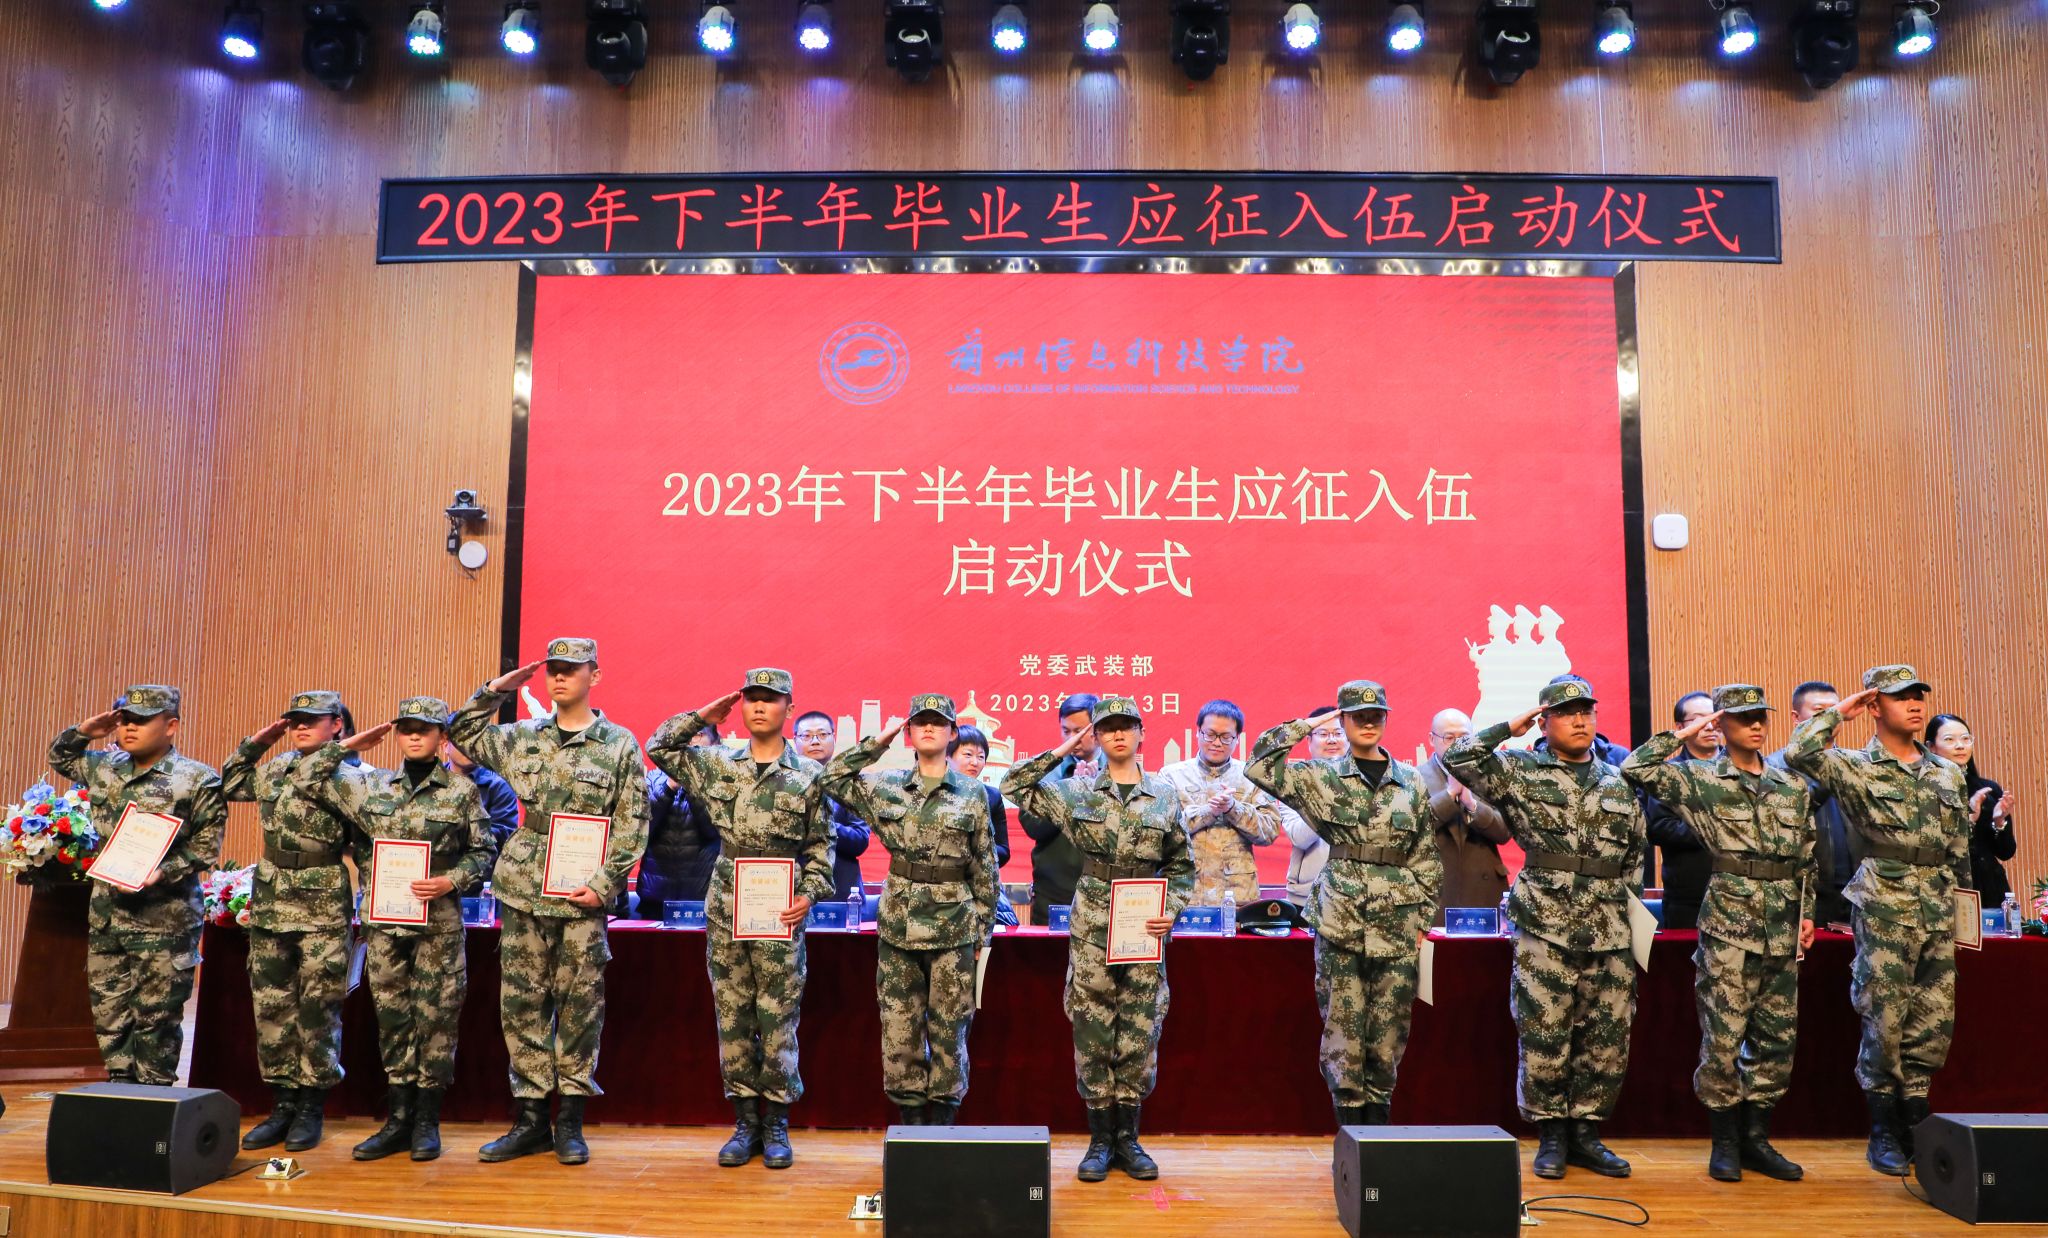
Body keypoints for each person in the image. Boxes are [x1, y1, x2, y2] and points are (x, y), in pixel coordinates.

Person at [449, 639, 651, 1166]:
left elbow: (633, 822)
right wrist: (498, 690)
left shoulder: (618, 744)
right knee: (522, 1005)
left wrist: (605, 882)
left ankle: (571, 1122)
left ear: (594, 676)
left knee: (580, 1008)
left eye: (570, 670)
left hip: (582, 893)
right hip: (524, 888)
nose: (559, 678)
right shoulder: (523, 737)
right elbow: (461, 732)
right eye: (552, 670)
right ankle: (531, 1120)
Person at [1444, 675, 1644, 1182]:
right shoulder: (1520, 770)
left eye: (1586, 711)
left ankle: (1586, 1134)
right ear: (1544, 720)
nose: (1580, 720)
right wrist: (1508, 727)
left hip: (1610, 927)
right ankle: (1551, 1133)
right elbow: (1459, 759)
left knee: (1606, 1034)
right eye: (1567, 712)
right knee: (1545, 1030)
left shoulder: (1617, 779)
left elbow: (1635, 855)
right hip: (1545, 924)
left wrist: (1630, 917)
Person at [1620, 685, 1814, 1183]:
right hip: (1729, 925)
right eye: (1743, 718)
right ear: (1721, 724)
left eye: (1760, 717)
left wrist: (1807, 912)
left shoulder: (1790, 785)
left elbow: (1806, 854)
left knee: (1776, 1040)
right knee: (1723, 1038)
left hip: (1782, 926)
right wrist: (1689, 729)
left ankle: (1756, 1139)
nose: (1756, 725)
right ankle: (1724, 1140)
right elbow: (1636, 767)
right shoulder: (1701, 778)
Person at [1786, 666, 1973, 1176]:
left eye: (1918, 696)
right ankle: (1883, 1127)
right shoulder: (1854, 766)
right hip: (1885, 902)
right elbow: (1799, 753)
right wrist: (1837, 713)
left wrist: (1966, 913)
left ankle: (1916, 1116)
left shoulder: (1946, 772)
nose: (1914, 705)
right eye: (1899, 697)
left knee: (1933, 1018)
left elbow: (1959, 849)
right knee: (1884, 1014)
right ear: (1874, 706)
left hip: (1938, 904)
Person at [296, 697, 497, 1162]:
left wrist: (452, 880)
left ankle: (427, 1121)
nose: (414, 736)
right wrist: (349, 745)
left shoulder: (461, 791)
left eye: (424, 729)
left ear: (442, 738)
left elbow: (484, 851)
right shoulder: (371, 786)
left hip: (438, 922)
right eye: (406, 728)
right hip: (386, 922)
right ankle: (398, 1119)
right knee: (393, 1017)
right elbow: (307, 777)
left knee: (437, 1018)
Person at [1003, 696, 1194, 1183]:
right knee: (1092, 1029)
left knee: (1140, 1029)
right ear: (1097, 736)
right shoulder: (1077, 792)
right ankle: (1099, 1140)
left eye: (1126, 726)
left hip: (1144, 923)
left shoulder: (1164, 794)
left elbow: (1182, 865)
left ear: (1142, 733)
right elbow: (1014, 783)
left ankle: (1128, 1139)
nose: (1118, 735)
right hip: (1093, 924)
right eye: (1107, 728)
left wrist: (1170, 909)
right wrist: (1066, 747)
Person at [648, 669, 831, 1171]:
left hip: (781, 904)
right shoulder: (717, 764)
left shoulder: (809, 774)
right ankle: (745, 1121)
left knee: (778, 1018)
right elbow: (659, 748)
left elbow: (822, 847)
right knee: (732, 1016)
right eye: (752, 699)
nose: (759, 707)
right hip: (729, 900)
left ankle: (776, 1123)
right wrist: (701, 717)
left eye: (770, 699)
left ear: (789, 707)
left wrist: (810, 893)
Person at [1247, 682, 1442, 1128]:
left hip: (1398, 921)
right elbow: (1259, 765)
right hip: (1341, 918)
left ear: (1386, 719)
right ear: (1343, 720)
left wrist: (1422, 919)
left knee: (1390, 1029)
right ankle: (1351, 1131)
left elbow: (1425, 855)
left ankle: (1379, 1130)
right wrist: (1307, 724)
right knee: (1343, 1027)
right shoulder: (1320, 776)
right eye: (1357, 715)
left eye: (1376, 715)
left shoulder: (1410, 780)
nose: (1368, 723)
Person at [821, 695, 999, 1125]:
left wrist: (983, 933)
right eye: (920, 722)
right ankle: (912, 1123)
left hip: (955, 927)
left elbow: (985, 867)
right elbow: (831, 777)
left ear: (952, 733)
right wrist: (879, 740)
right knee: (899, 1028)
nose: (930, 728)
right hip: (899, 925)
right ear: (909, 732)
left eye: (939, 722)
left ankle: (943, 1122)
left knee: (950, 1028)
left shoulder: (973, 792)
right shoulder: (887, 786)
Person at [48, 687, 225, 1087]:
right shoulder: (104, 766)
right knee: (109, 1014)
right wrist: (85, 730)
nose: (129, 727)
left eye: (142, 720)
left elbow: (205, 849)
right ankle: (120, 1089)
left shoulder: (197, 778)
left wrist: (163, 872)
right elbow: (60, 757)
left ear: (171, 726)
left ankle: (154, 1099)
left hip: (164, 918)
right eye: (125, 719)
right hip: (108, 914)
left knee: (156, 1017)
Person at [223, 690, 363, 1153]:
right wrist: (258, 742)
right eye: (295, 720)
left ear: (336, 725)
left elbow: (366, 840)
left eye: (312, 719)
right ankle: (282, 1103)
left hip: (322, 900)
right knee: (272, 1005)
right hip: (271, 898)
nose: (300, 726)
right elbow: (230, 783)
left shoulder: (351, 776)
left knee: (318, 1005)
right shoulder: (276, 768)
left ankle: (311, 1106)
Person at [1157, 700, 1291, 907]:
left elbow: (1269, 831)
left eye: (1226, 737)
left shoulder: (1251, 777)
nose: (1217, 743)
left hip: (1237, 895)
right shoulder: (1171, 776)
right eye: (1210, 734)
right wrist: (1207, 811)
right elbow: (1161, 832)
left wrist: (1233, 809)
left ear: (1237, 738)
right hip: (1185, 894)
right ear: (1197, 732)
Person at [1769, 682, 1858, 926]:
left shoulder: (1854, 764)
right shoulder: (1774, 768)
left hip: (1857, 893)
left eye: (1836, 710)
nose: (1831, 717)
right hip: (1802, 894)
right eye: (1820, 711)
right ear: (1796, 718)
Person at [1419, 708, 1512, 920]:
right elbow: (1413, 829)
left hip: (1483, 889)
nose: (1457, 745)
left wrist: (1472, 805)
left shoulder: (1490, 776)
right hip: (1434, 888)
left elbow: (1504, 832)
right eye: (1449, 738)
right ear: (1432, 739)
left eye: (1464, 738)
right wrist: (1449, 795)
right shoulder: (1415, 777)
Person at [1017, 693, 1098, 924]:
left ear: (1097, 729)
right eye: (1066, 731)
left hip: (1105, 895)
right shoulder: (1046, 772)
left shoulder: (1117, 771)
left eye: (1079, 731)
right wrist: (1071, 791)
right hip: (1053, 895)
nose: (1072, 739)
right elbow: (1033, 827)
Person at [1642, 692, 1719, 930]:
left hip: (1745, 898)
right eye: (1699, 720)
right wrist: (1720, 826)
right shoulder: (1668, 774)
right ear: (1680, 727)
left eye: (1714, 718)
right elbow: (1659, 828)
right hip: (1688, 900)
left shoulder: (1742, 766)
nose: (1709, 726)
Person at [1925, 715, 2017, 905]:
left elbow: (2006, 852)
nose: (1960, 745)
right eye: (1949, 739)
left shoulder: (1987, 788)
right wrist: (1970, 819)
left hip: (1990, 887)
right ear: (1931, 746)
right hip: (1946, 888)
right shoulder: (1924, 789)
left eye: (1966, 738)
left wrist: (1999, 822)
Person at [636, 723, 724, 912]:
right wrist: (669, 787)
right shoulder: (654, 778)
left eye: (698, 734)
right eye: (684, 736)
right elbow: (641, 830)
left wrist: (691, 784)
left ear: (715, 742)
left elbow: (713, 831)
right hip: (655, 894)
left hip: (702, 897)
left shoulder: (721, 782)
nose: (689, 741)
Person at [795, 710, 872, 901]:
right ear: (795, 740)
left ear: (834, 738)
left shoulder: (850, 785)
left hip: (842, 892)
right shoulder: (782, 784)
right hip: (793, 889)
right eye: (806, 736)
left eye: (822, 734)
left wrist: (820, 824)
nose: (815, 741)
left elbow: (860, 840)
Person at [949, 725, 1018, 927]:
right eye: (968, 754)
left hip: (981, 888)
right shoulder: (934, 793)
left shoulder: (992, 796)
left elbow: (1003, 850)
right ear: (948, 756)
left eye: (981, 756)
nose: (975, 762)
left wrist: (974, 854)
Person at [1283, 705, 1344, 905]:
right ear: (1309, 741)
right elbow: (1299, 838)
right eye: (1323, 734)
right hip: (1307, 896)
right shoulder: (1294, 781)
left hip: (1359, 894)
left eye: (1338, 733)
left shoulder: (1366, 780)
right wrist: (1329, 796)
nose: (1332, 740)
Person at [444, 740, 521, 867]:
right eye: (460, 741)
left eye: (474, 742)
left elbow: (505, 834)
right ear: (446, 746)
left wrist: (458, 834)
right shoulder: (430, 779)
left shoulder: (498, 785)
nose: (468, 746)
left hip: (479, 867)